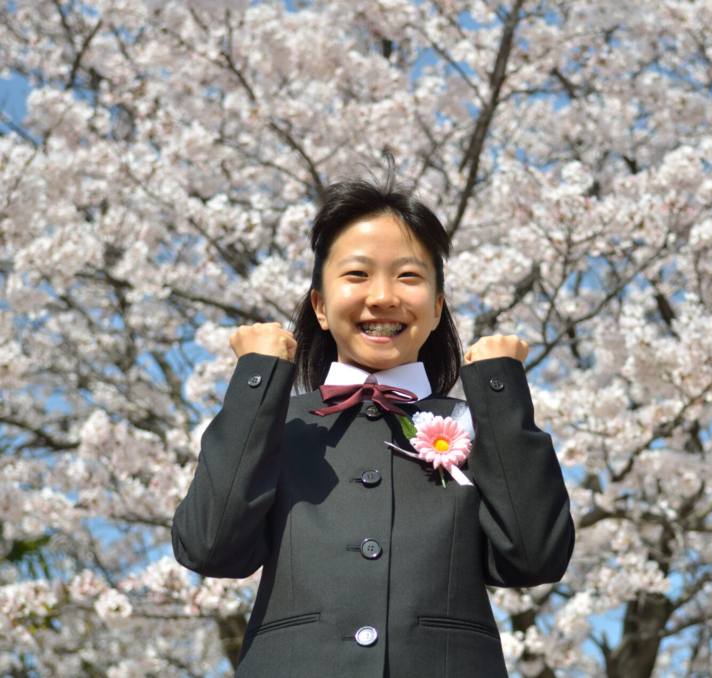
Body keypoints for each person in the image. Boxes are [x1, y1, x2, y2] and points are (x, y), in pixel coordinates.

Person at [170, 163, 575, 678]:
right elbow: (208, 546)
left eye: (408, 276)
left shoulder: (480, 426)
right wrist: (257, 379)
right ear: (320, 305)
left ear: (436, 308)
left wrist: (499, 388)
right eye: (357, 274)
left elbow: (536, 557)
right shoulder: (278, 424)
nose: (383, 296)